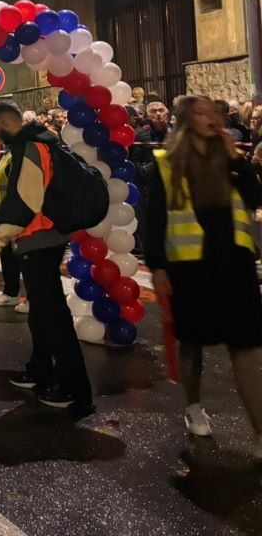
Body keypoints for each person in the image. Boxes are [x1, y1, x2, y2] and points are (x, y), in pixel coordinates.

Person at [145, 95, 262, 457]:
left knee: (246, 347)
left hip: (234, 265)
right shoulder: (165, 164)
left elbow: (255, 196)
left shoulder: (230, 158)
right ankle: (193, 405)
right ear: (184, 121)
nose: (211, 119)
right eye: (201, 113)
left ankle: (260, 432)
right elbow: (156, 221)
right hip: (191, 268)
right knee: (193, 343)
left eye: (214, 113)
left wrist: (236, 157)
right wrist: (158, 267)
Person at [0, 100, 93, 416]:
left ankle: (75, 390)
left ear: (5, 123)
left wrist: (0, 236)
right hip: (43, 237)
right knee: (41, 312)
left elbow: (27, 199)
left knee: (54, 316)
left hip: (40, 239)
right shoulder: (42, 141)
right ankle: (40, 370)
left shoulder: (32, 147)